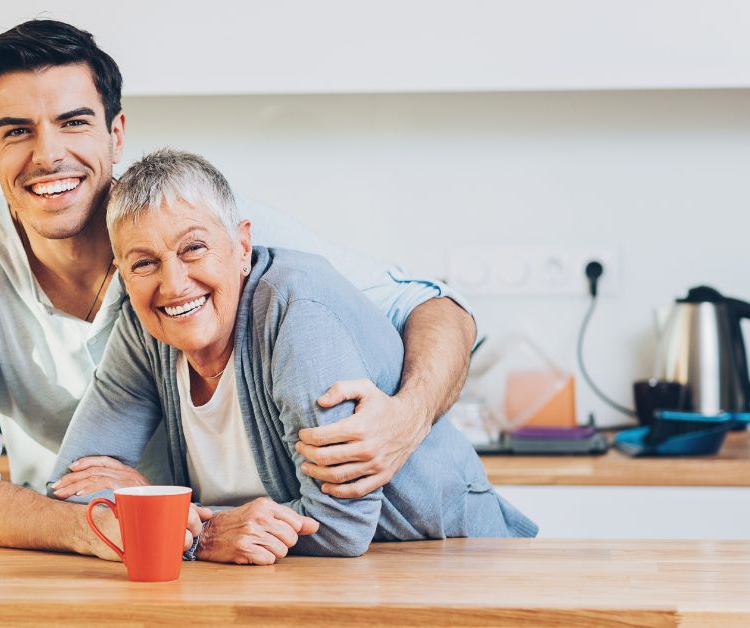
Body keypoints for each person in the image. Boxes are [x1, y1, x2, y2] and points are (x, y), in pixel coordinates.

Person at [0, 19, 480, 559]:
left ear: (116, 132)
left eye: (74, 121)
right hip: (104, 548)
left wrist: (409, 416)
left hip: (294, 550)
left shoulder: (212, 232)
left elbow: (432, 307)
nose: (50, 153)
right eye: (16, 131)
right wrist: (140, 521)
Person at [49, 149, 536, 563]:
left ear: (241, 245)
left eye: (193, 248)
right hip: (295, 586)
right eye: (144, 263)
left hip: (451, 566)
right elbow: (73, 486)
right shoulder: (145, 327)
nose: (173, 284)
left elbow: (341, 527)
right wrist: (201, 529)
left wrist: (177, 522)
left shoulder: (298, 313)